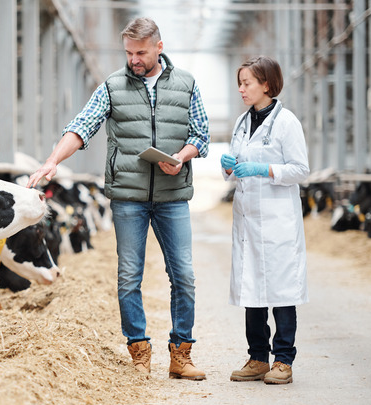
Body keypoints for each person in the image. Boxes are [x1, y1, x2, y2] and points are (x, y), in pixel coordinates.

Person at [27, 17, 209, 380]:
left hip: (173, 195)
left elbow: (200, 133)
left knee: (184, 276)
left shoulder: (186, 83)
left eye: (141, 52)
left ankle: (181, 354)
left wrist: (183, 157)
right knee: (129, 276)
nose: (134, 59)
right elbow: (82, 126)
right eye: (128, 52)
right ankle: (139, 350)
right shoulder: (113, 86)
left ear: (159, 47)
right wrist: (52, 160)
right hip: (128, 197)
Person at [220, 56, 309, 385]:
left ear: (267, 85)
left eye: (247, 83)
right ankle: (258, 357)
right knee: (252, 289)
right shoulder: (242, 124)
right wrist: (228, 166)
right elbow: (232, 172)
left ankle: (283, 360)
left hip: (277, 221)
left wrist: (265, 170)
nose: (241, 89)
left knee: (282, 291)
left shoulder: (287, 123)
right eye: (239, 83)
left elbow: (300, 170)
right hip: (248, 220)